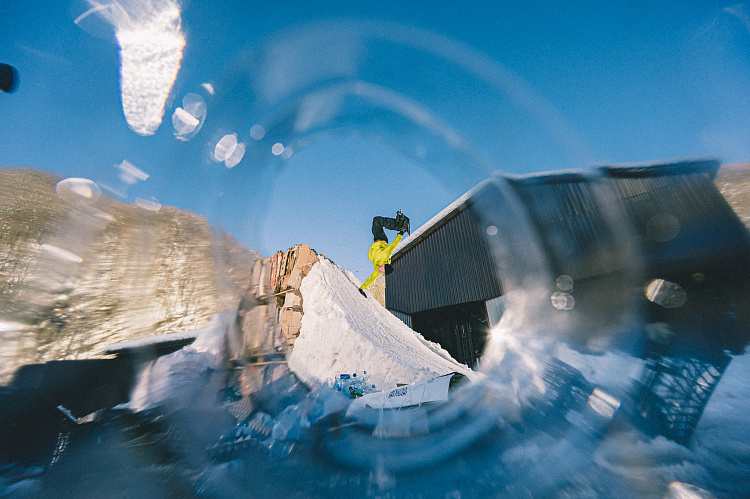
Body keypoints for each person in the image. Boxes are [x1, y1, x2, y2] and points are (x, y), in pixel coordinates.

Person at [358, 211, 409, 297]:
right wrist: (401, 233)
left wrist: (362, 288)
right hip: (381, 239)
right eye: (383, 266)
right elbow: (393, 246)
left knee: (376, 223)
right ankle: (399, 226)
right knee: (377, 220)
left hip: (376, 241)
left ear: (384, 273)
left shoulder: (378, 272)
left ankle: (398, 224)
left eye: (382, 269)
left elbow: (371, 279)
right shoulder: (385, 256)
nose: (380, 268)